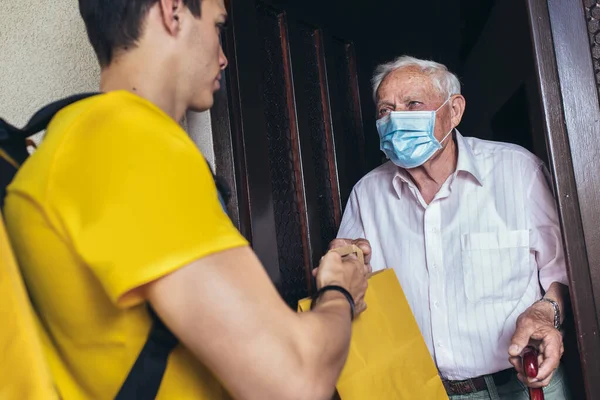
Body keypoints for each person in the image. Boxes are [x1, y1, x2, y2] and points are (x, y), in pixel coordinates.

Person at [3, 0, 369, 399]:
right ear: (172, 10)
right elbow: (296, 381)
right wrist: (340, 291)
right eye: (218, 26)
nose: (225, 57)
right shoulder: (130, 139)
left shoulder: (75, 136)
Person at [332, 55, 571, 399]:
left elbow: (563, 273)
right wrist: (343, 269)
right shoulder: (366, 194)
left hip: (524, 384)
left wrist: (544, 313)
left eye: (412, 104)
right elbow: (350, 288)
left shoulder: (518, 171)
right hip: (420, 391)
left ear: (454, 110)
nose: (395, 119)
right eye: (385, 110)